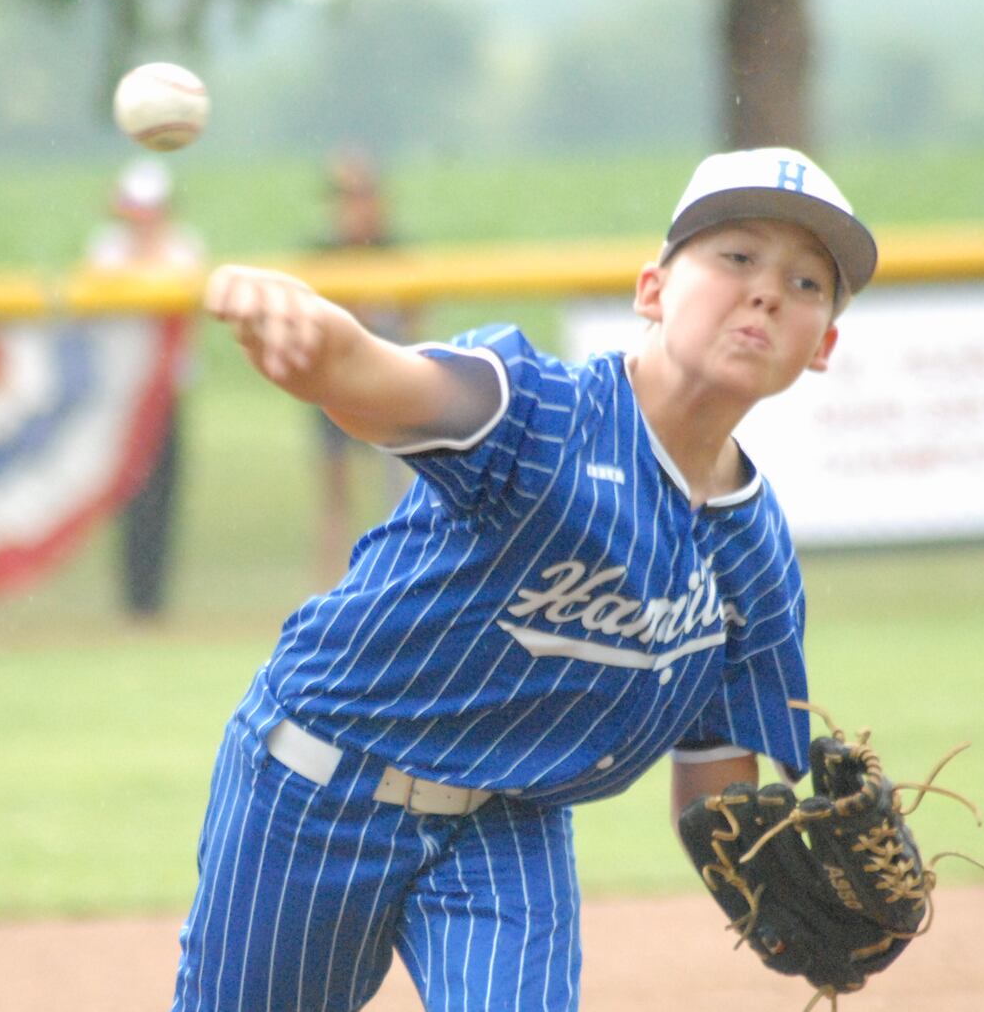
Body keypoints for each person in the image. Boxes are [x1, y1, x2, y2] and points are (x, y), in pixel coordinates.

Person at [172, 147, 879, 1012]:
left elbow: (716, 792)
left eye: (809, 283)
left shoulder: (754, 558)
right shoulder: (541, 414)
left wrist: (790, 889)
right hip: (321, 785)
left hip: (508, 819)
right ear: (652, 289)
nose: (769, 291)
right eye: (737, 257)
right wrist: (314, 339)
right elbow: (379, 381)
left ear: (825, 345)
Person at [85, 158, 207, 618]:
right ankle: (132, 597)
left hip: (168, 392)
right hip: (124, 394)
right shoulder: (107, 249)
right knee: (129, 494)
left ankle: (155, 597)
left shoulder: (183, 247)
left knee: (164, 492)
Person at [310, 148, 419, 584]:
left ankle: (398, 580)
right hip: (332, 383)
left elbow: (415, 319)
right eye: (343, 197)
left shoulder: (393, 251)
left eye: (359, 195)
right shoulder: (322, 254)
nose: (351, 206)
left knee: (398, 489)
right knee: (335, 493)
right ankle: (329, 587)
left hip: (387, 381)